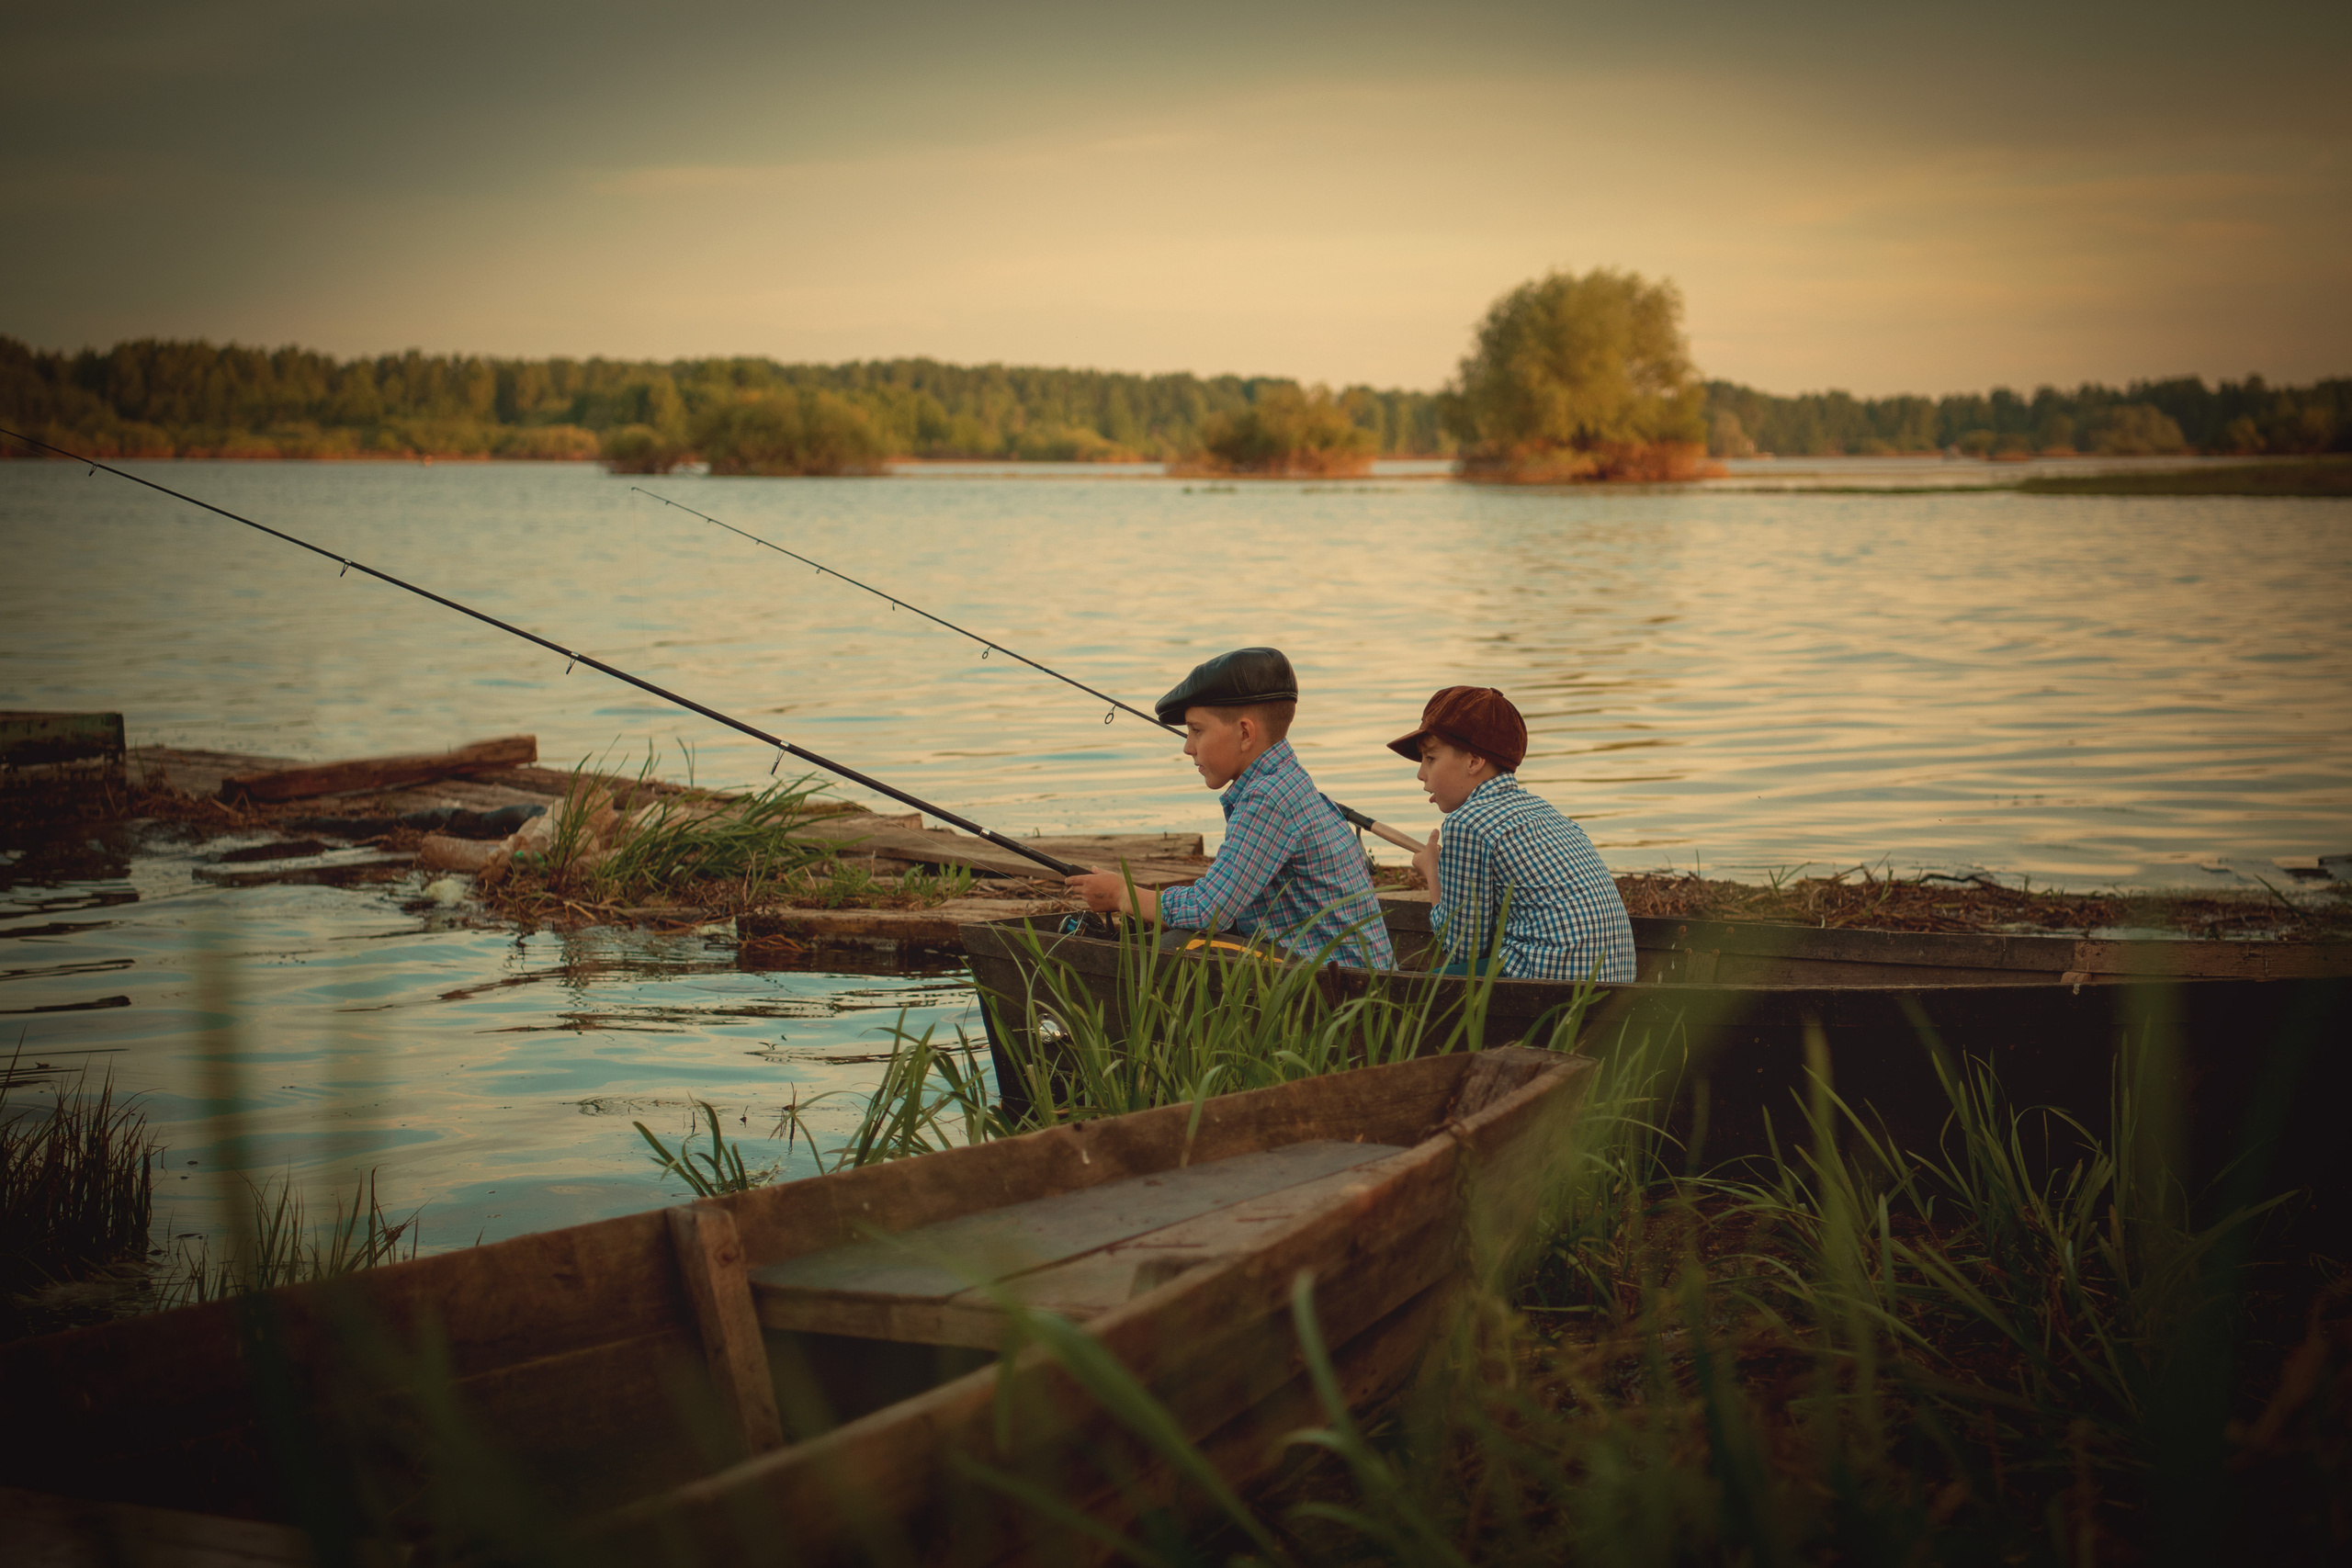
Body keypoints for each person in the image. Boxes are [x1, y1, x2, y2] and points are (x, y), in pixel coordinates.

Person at [1065, 648, 1395, 969]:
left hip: (1345, 984)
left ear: (1245, 733)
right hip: (1344, 970)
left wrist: (1124, 895)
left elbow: (1210, 910)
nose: (1187, 747)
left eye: (1196, 730)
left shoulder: (1269, 799)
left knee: (1179, 946)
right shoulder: (1287, 782)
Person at [1390, 686, 1635, 983]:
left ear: (1474, 762)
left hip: (1553, 979)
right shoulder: (1542, 811)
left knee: (1420, 992)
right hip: (1617, 976)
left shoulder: (1467, 823)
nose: (1420, 773)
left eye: (1430, 758)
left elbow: (1462, 950)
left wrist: (1433, 872)